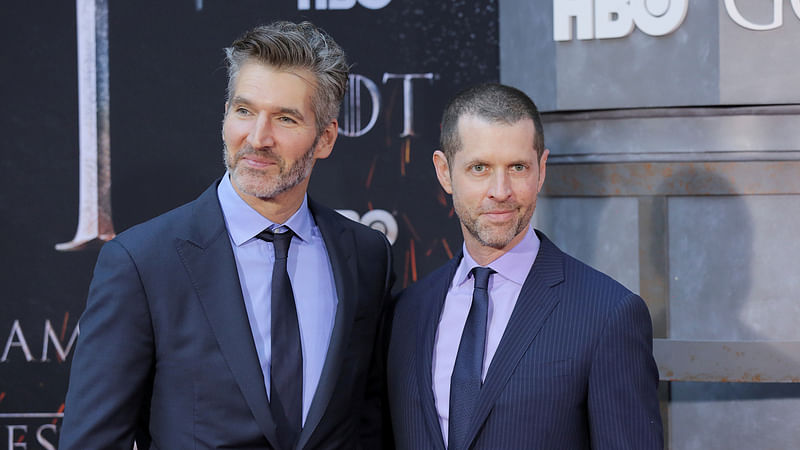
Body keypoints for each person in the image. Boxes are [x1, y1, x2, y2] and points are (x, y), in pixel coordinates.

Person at [60, 21, 394, 450]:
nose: (257, 138)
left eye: (285, 118)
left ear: (326, 138)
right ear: (225, 116)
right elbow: (93, 441)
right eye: (244, 110)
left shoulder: (366, 256)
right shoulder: (143, 262)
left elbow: (370, 423)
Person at [387, 83, 662, 449]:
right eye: (479, 168)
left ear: (541, 169)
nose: (500, 190)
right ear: (444, 172)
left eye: (517, 167)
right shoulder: (408, 311)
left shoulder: (608, 314)